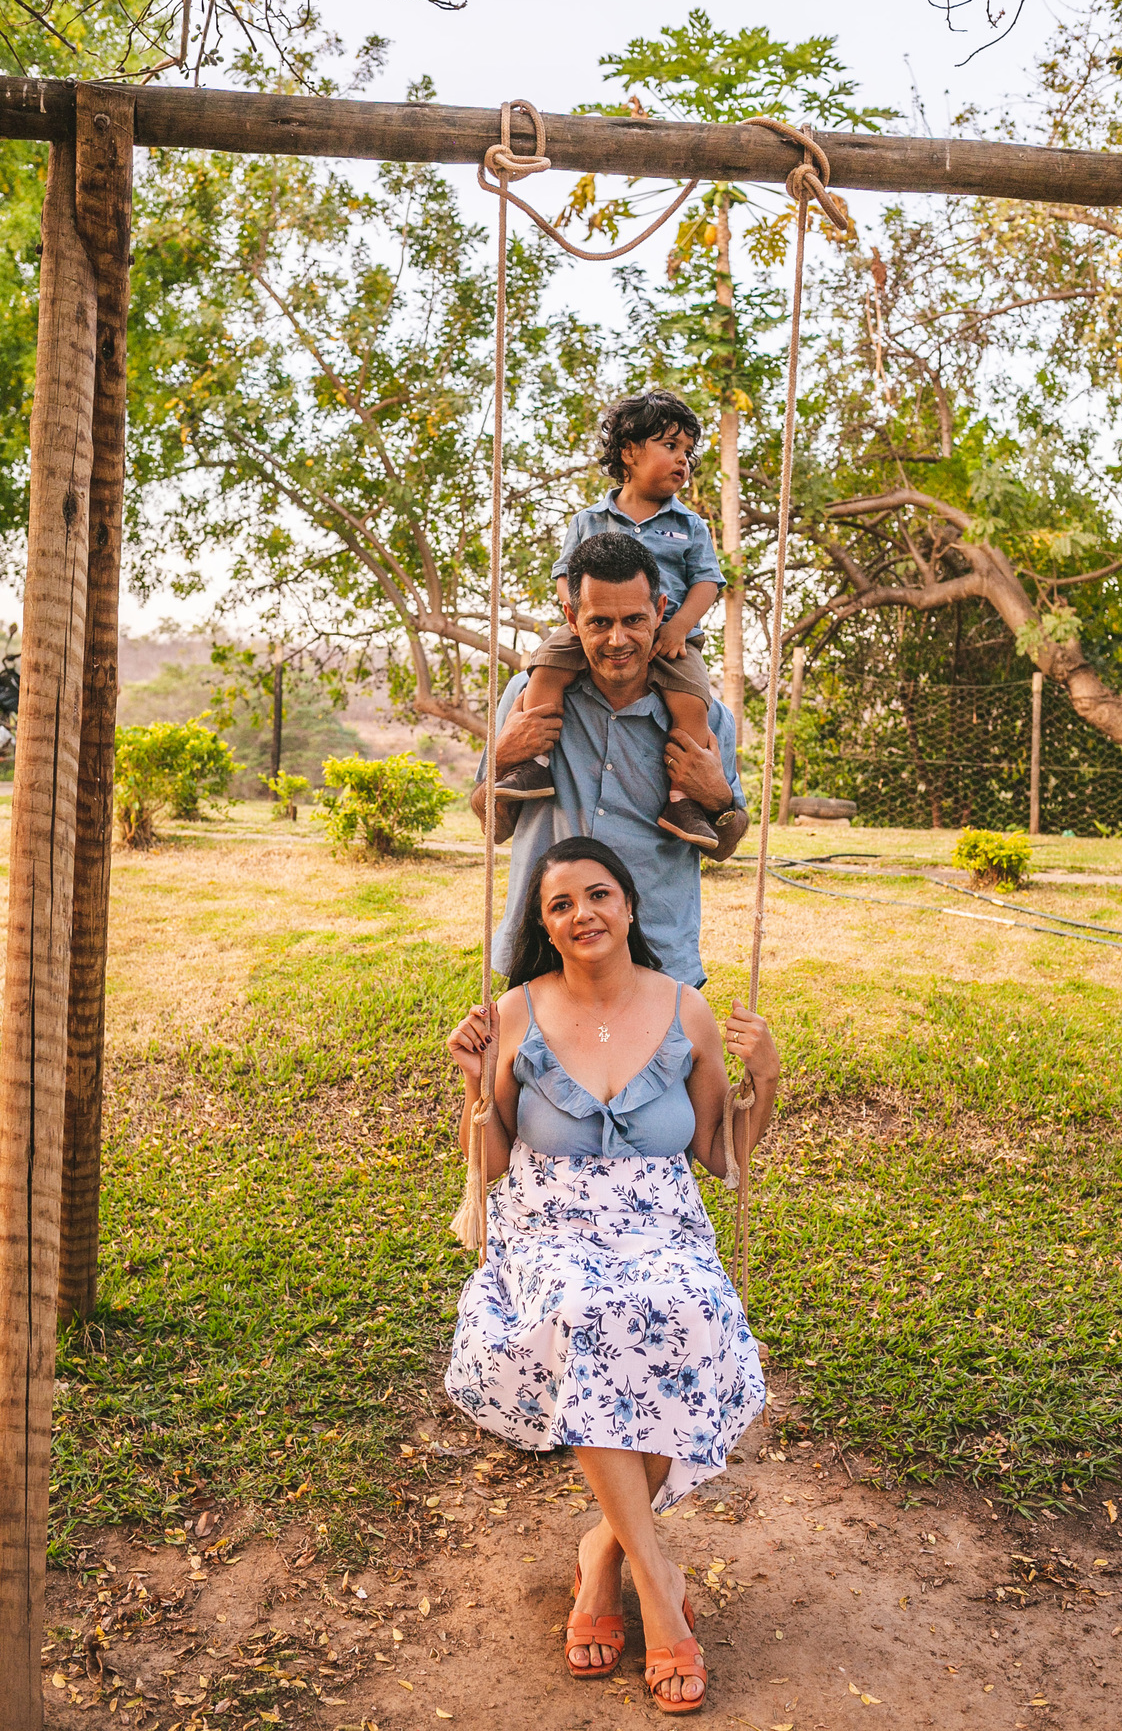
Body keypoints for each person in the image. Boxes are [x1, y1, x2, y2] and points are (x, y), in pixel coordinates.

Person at [444, 837, 779, 1714]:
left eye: (598, 895)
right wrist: (473, 1085)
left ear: (630, 905)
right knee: (589, 1312)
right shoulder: (515, 1012)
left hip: (661, 1222)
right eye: (560, 904)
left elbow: (720, 1153)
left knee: (690, 1310)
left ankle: (605, 1553)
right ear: (544, 925)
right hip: (548, 1226)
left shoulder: (687, 1012)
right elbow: (487, 1162)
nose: (582, 913)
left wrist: (765, 1078)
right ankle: (662, 1596)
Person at [471, 531, 749, 988]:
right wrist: (503, 759)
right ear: (571, 618)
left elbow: (724, 846)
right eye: (599, 622)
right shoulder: (526, 700)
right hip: (545, 953)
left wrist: (718, 800)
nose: (618, 640)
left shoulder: (706, 718)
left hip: (658, 958)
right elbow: (494, 827)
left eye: (635, 620)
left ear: (660, 612)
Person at [495, 390, 725, 851]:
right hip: (590, 627)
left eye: (688, 452)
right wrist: (581, 619)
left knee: (692, 701)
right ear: (629, 452)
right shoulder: (590, 520)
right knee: (545, 667)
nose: (683, 460)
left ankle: (684, 799)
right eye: (670, 447)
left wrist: (679, 627)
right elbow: (564, 575)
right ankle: (532, 761)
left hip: (670, 639)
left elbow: (707, 583)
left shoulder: (690, 526)